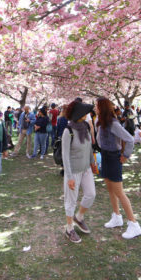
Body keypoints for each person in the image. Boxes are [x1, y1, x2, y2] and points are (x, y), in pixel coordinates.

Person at [95, 97, 141, 239]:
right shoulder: (101, 122)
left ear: (102, 108)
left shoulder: (112, 123)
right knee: (110, 189)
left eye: (97, 106)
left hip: (113, 157)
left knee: (119, 192)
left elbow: (129, 139)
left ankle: (134, 224)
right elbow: (98, 139)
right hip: (105, 156)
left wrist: (126, 155)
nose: (95, 108)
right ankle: (116, 216)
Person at [61, 100, 97, 243]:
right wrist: (69, 177)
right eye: (84, 112)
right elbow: (65, 156)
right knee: (70, 201)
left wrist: (93, 163)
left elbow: (89, 147)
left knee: (91, 194)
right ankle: (69, 228)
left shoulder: (86, 126)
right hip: (73, 171)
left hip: (86, 168)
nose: (87, 114)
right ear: (78, 114)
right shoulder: (67, 131)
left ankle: (79, 217)